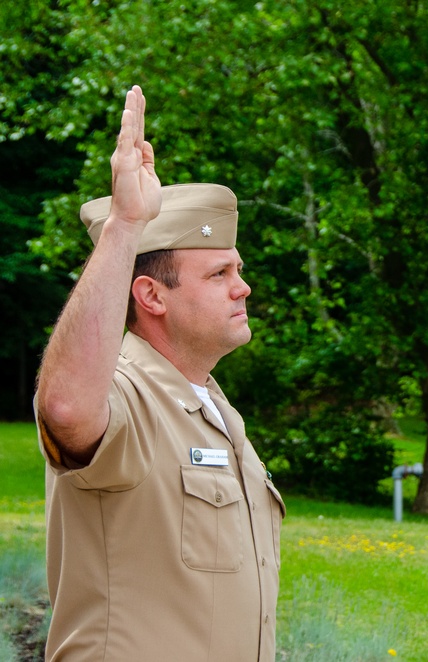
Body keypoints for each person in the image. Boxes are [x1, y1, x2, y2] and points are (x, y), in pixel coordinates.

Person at [34, 85, 285, 661]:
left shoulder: (211, 409)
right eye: (219, 273)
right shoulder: (128, 397)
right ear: (151, 295)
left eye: (238, 269)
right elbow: (67, 409)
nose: (243, 287)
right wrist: (126, 225)